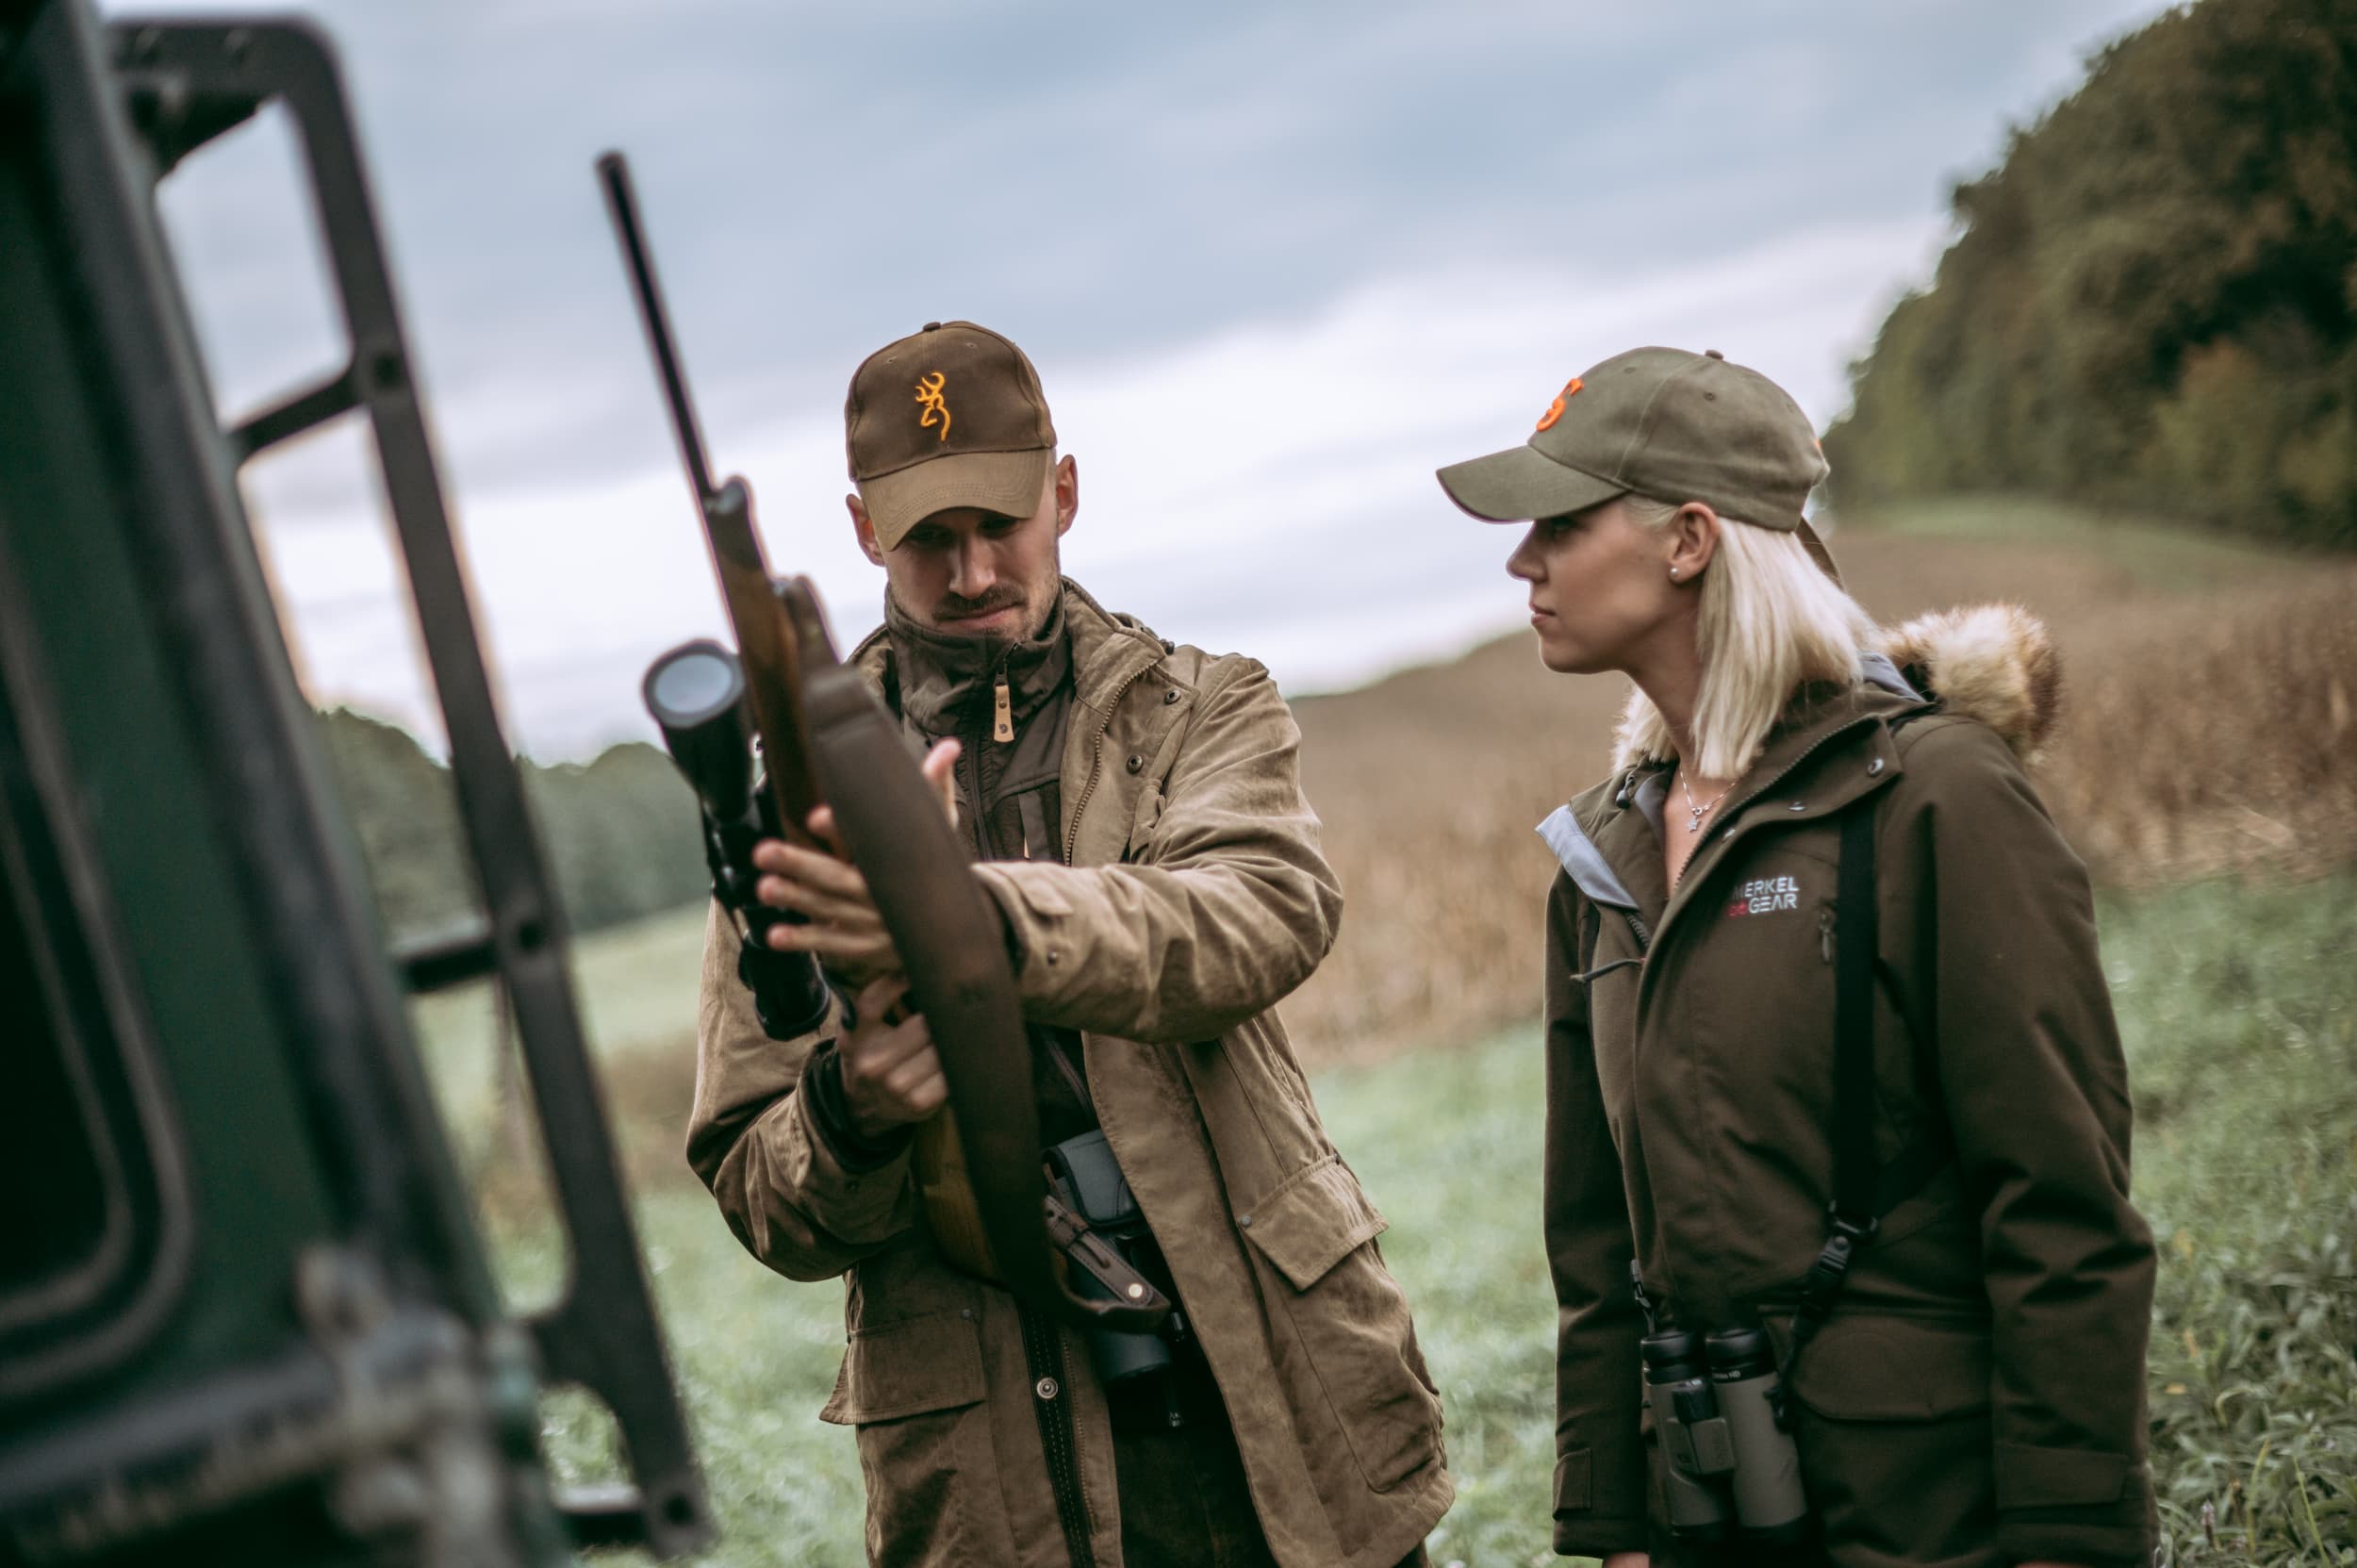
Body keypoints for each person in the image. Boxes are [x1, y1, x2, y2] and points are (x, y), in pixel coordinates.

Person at [686, 321, 1450, 1568]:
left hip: (1277, 1401)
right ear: (865, 531)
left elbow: (1260, 912)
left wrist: (971, 920)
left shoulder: (1203, 704)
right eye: (930, 535)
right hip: (997, 1473)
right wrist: (852, 1106)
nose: (975, 567)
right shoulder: (790, 810)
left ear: (1067, 492)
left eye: (1002, 519)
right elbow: (760, 1186)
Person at [1434, 347, 2157, 1568]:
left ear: (1690, 540)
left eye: (1560, 521)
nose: (1523, 560)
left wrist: (2069, 1537)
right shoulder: (1601, 868)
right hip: (1708, 1519)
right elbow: (1598, 1252)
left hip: (1938, 1521)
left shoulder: (1939, 801)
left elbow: (2062, 1213)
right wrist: (1614, 1523)